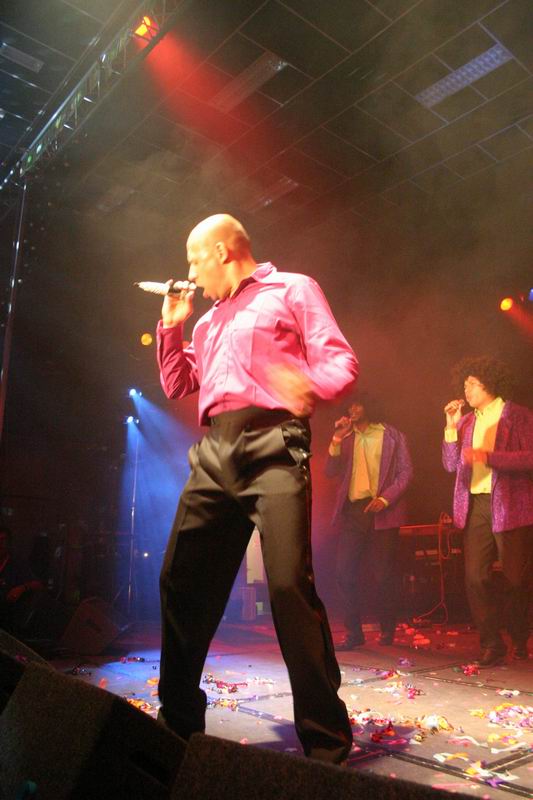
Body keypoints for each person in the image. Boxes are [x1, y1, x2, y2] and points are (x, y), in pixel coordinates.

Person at [155, 213, 358, 763]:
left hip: (274, 444)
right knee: (180, 580)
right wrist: (172, 327)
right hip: (216, 451)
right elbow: (177, 383)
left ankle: (326, 740)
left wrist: (308, 385)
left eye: (194, 259)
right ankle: (177, 725)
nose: (190, 273)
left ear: (222, 251)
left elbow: (340, 360)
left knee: (289, 586)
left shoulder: (292, 288)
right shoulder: (206, 322)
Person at [443, 356, 533, 666]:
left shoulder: (517, 415)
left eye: (472, 384)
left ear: (489, 384)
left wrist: (489, 457)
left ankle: (519, 636)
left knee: (515, 581)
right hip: (476, 504)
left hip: (510, 505)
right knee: (475, 578)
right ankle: (491, 644)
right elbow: (450, 465)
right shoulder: (466, 421)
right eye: (464, 384)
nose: (466, 390)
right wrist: (450, 427)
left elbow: (530, 457)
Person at [325, 395, 412, 649]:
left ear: (369, 406)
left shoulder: (392, 435)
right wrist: (337, 438)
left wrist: (385, 499)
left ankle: (387, 629)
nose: (352, 409)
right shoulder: (346, 437)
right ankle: (354, 633)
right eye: (349, 405)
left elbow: (406, 472)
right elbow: (330, 471)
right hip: (354, 511)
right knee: (344, 572)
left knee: (383, 575)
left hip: (383, 510)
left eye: (358, 404)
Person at [0, 525, 44, 634]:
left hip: (8, 619)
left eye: (3, 540)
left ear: (8, 543)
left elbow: (38, 584)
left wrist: (21, 588)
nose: (0, 544)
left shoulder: (17, 563)